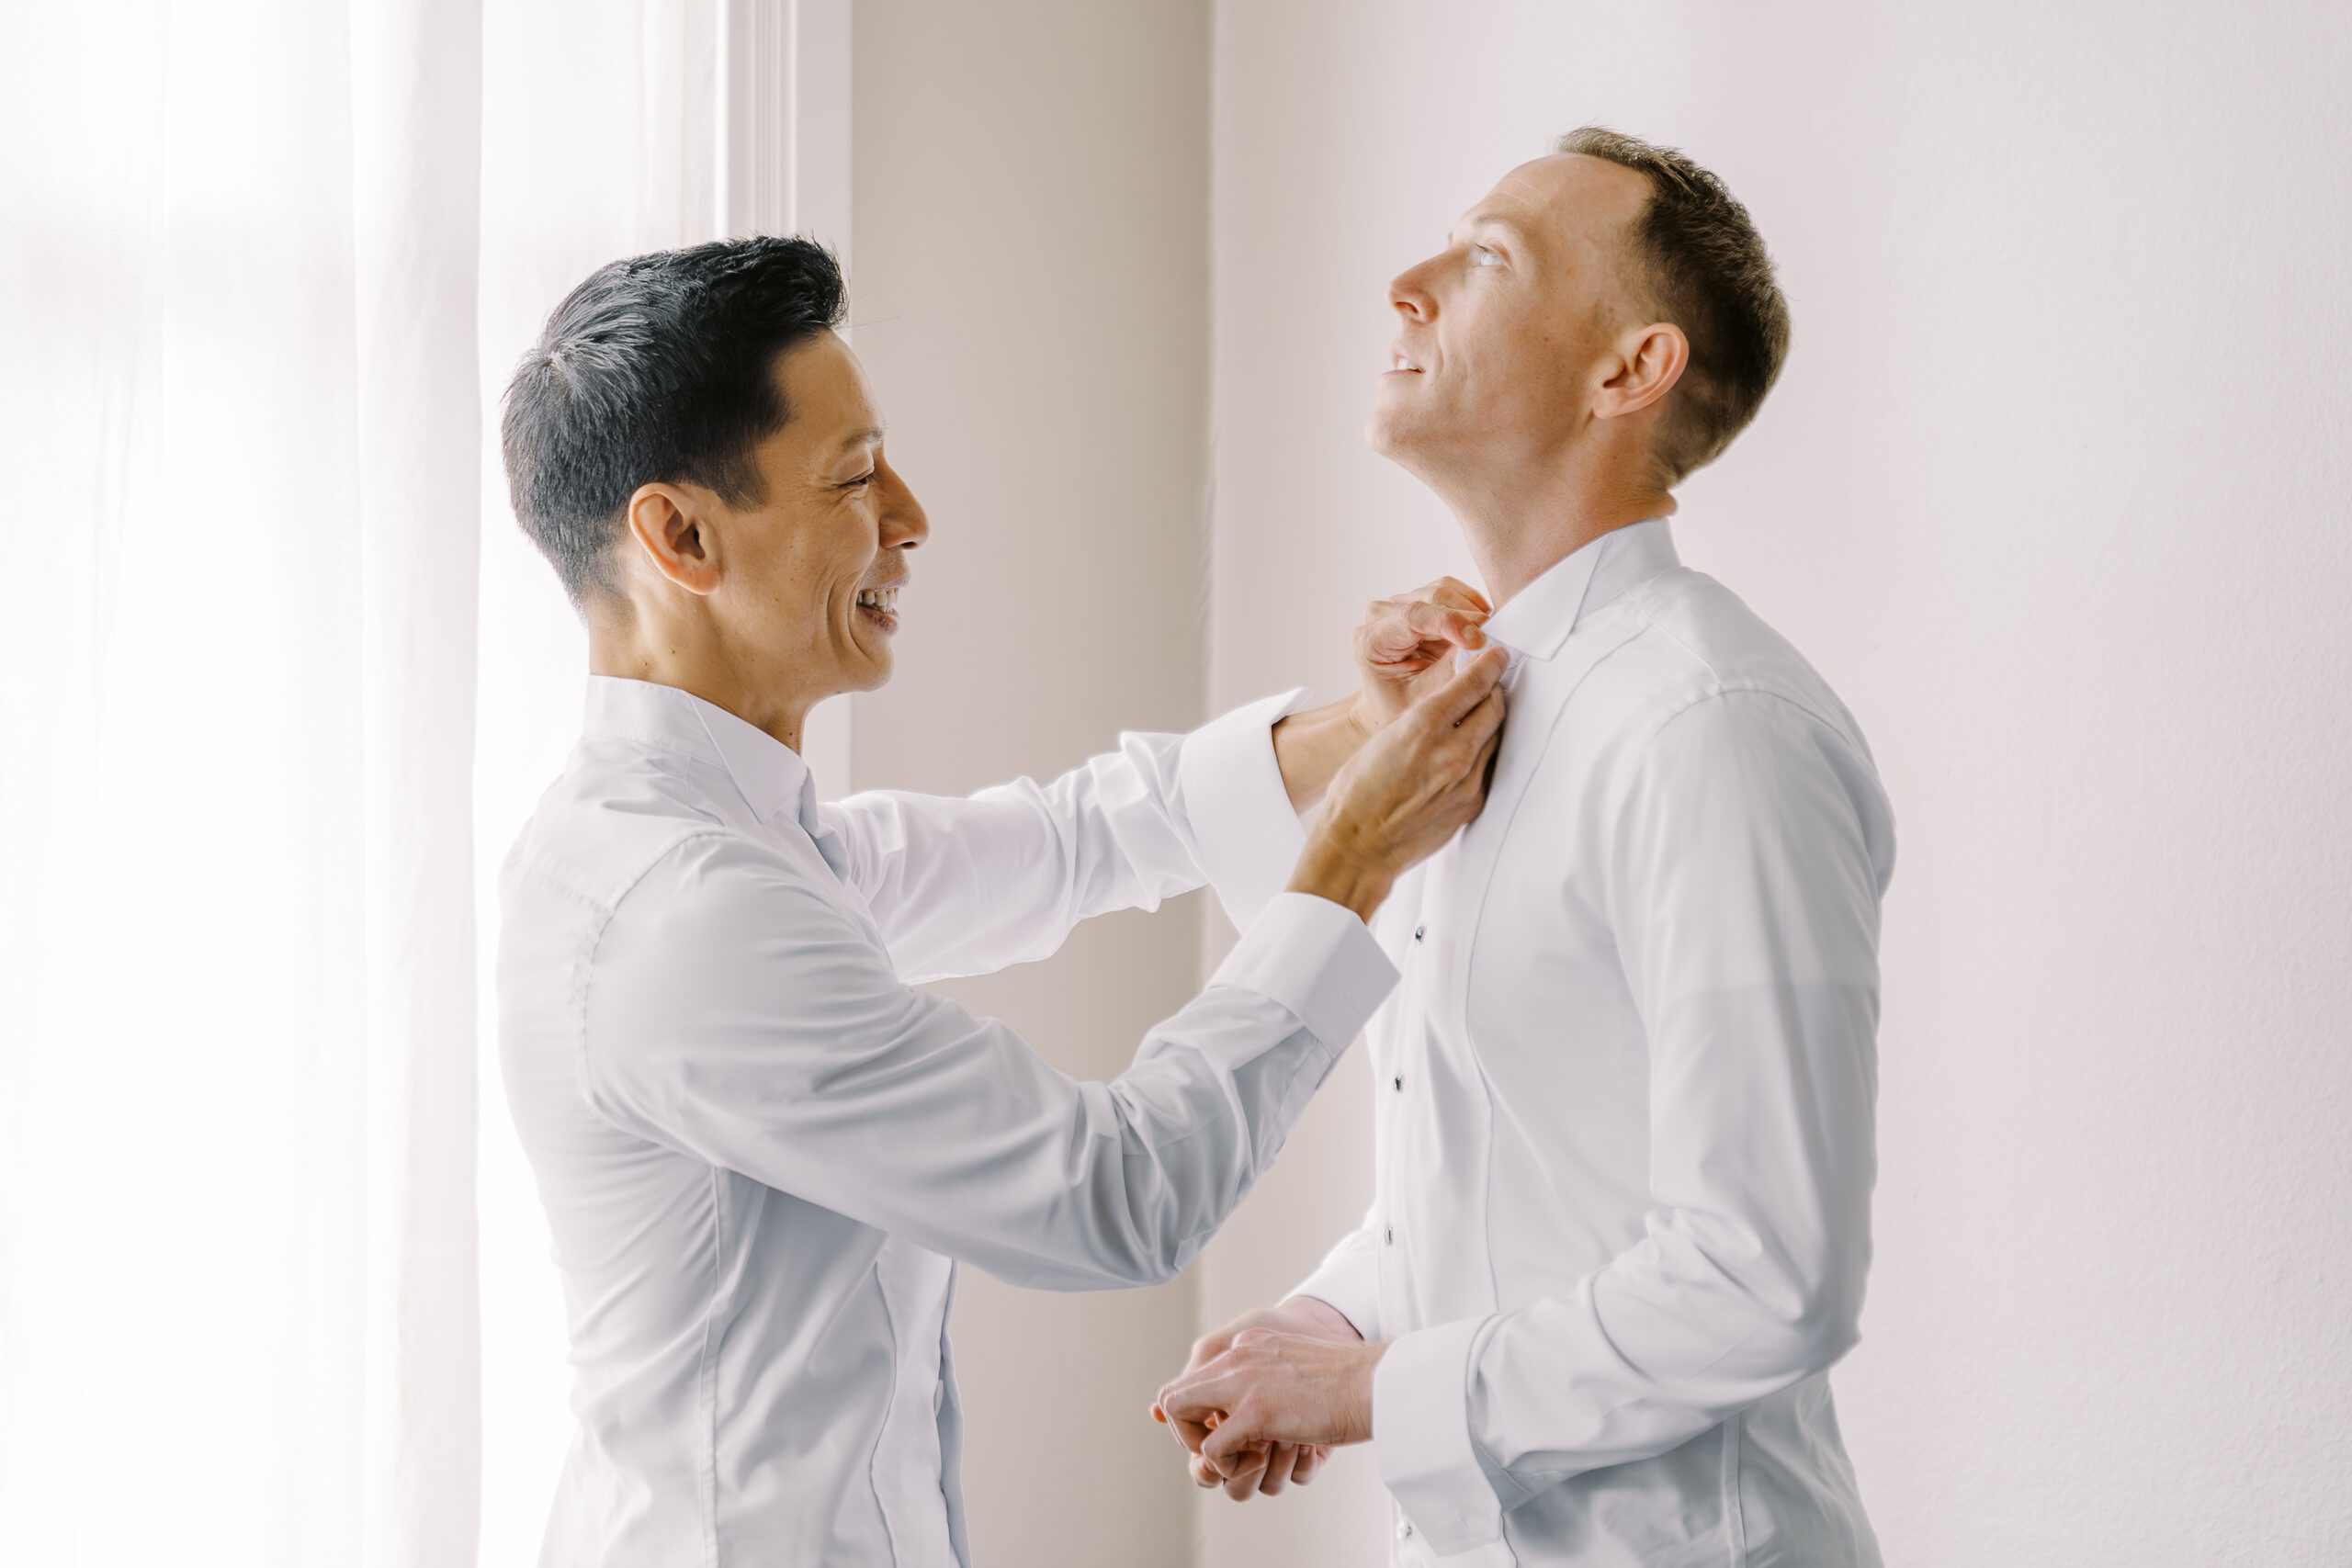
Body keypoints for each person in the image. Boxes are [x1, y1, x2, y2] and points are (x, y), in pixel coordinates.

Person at [493, 235, 1507, 1566]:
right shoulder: (681, 918)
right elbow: (1115, 1195)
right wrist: (1351, 866)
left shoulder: (746, 848)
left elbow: (1078, 837)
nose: (910, 517)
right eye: (855, 476)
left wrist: (1359, 734)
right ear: (680, 536)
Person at [1154, 127, 1897, 1567]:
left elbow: (1767, 1277)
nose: (1407, 281)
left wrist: (1369, 1393)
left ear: (1631, 370)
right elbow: (1526, 1180)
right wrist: (1328, 1319)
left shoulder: (1712, 725)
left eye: (1487, 257)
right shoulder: (1474, 715)